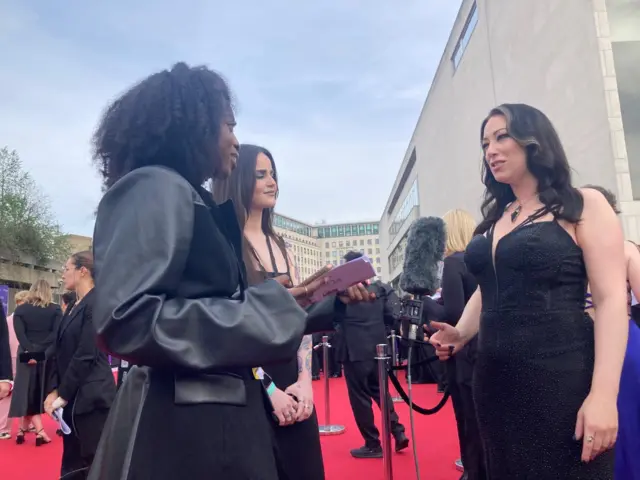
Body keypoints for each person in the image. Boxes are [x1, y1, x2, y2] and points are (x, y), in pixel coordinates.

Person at [87, 62, 365, 480]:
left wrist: (316, 299)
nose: (236, 140)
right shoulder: (154, 186)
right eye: (228, 126)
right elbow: (128, 319)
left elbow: (218, 307)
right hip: (186, 440)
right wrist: (269, 309)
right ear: (194, 127)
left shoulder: (186, 195)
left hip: (214, 426)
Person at [430, 103, 627, 479]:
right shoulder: (496, 218)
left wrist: (603, 395)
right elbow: (489, 285)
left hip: (562, 378)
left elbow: (611, 298)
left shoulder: (582, 203)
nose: (490, 149)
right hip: (494, 384)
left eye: (502, 136)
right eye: (485, 142)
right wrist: (461, 333)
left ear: (534, 140)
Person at [213, 144, 329, 479]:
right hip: (246, 386)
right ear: (239, 180)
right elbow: (228, 324)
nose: (272, 182)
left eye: (273, 174)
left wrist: (305, 381)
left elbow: (299, 322)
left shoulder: (282, 247)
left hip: (292, 382)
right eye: (260, 175)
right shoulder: (224, 244)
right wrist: (268, 388)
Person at [581, 185, 640, 479]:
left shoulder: (569, 252)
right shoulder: (627, 249)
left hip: (583, 345)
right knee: (629, 422)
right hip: (625, 342)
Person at [421, 209, 484, 480]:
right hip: (485, 346)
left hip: (463, 351)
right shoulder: (479, 263)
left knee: (467, 418)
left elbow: (454, 313)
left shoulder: (452, 264)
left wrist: (423, 304)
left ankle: (472, 472)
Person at [44, 251, 116, 479]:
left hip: (92, 399)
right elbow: (60, 350)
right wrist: (54, 388)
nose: (63, 274)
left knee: (93, 463)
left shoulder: (97, 303)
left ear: (82, 270)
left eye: (66, 269)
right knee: (73, 463)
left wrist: (62, 394)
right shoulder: (74, 304)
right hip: (72, 399)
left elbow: (87, 353)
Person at [334, 251, 409, 459]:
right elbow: (392, 317)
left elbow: (330, 320)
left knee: (360, 399)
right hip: (378, 349)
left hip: (353, 350)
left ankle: (372, 443)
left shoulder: (340, 295)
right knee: (381, 392)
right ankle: (398, 431)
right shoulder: (382, 289)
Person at [9, 279, 61, 447]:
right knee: (37, 392)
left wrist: (30, 350)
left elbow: (20, 334)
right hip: (45, 355)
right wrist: (40, 352)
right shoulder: (55, 310)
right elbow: (56, 334)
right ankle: (39, 431)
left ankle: (22, 430)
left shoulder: (21, 310)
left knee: (26, 390)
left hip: (25, 353)